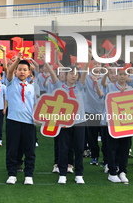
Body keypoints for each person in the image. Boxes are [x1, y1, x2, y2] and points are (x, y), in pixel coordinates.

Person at [45, 49, 92, 184]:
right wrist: (46, 62)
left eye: (76, 74)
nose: (74, 76)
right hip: (64, 122)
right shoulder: (59, 86)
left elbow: (85, 72)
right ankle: (63, 173)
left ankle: (79, 174)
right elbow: (53, 75)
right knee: (63, 148)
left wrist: (88, 60)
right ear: (65, 75)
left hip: (79, 122)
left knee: (78, 148)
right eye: (71, 73)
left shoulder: (80, 86)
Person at [5, 52, 36, 185]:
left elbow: (35, 105)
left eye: (25, 70)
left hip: (29, 123)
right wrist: (17, 60)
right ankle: (12, 174)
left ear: (29, 73)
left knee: (30, 150)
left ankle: (29, 175)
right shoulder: (11, 83)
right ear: (16, 71)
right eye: (19, 69)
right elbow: (9, 71)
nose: (22, 72)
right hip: (13, 121)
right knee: (12, 149)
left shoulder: (32, 87)